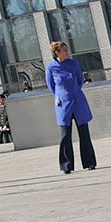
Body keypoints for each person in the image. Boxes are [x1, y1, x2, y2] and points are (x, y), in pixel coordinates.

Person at [47, 41, 95, 174]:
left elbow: (80, 80)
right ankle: (66, 165)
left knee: (84, 133)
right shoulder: (51, 68)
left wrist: (74, 92)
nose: (67, 52)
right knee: (65, 135)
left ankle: (89, 162)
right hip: (63, 104)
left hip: (78, 101)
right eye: (64, 50)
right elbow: (51, 86)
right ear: (57, 52)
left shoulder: (73, 64)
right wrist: (62, 95)